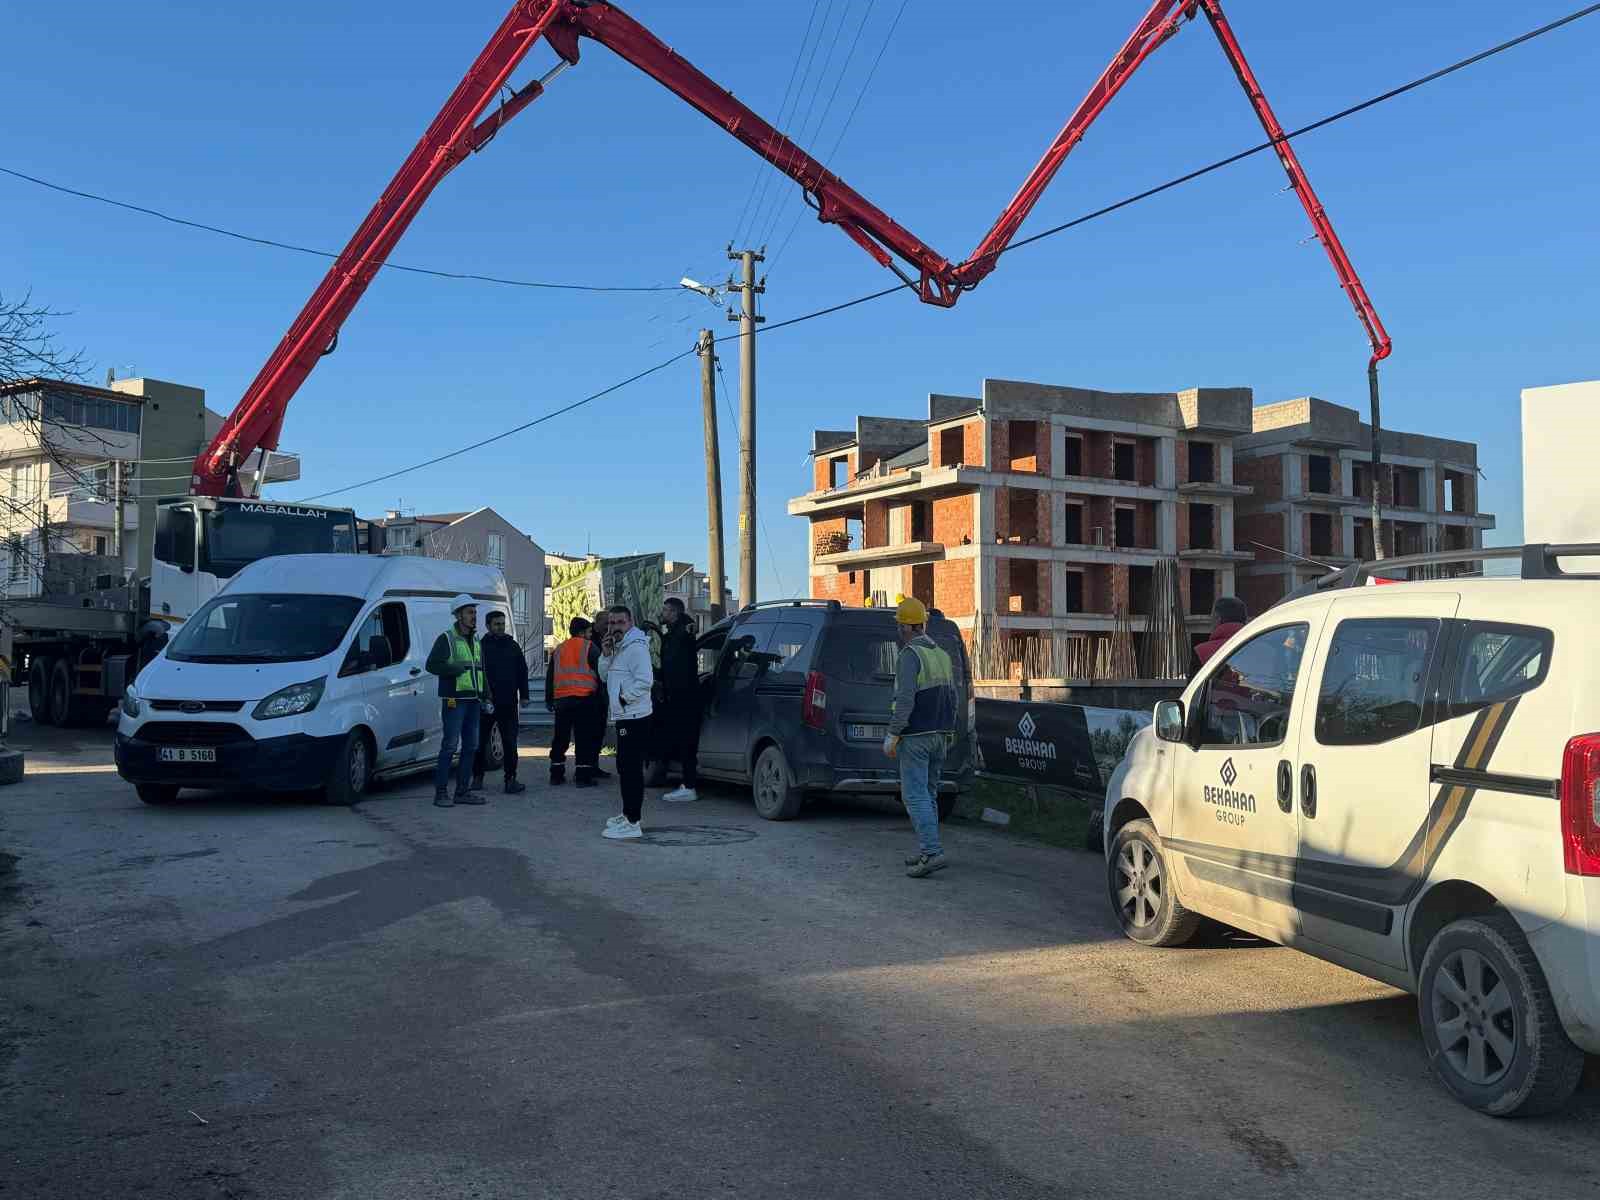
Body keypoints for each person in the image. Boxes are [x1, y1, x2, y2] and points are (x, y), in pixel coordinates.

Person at [883, 597, 958, 878]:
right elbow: (952, 696)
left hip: (916, 736)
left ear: (905, 628)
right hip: (940, 734)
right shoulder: (941, 653)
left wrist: (893, 733)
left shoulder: (909, 656)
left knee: (914, 796)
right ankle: (929, 847)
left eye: (900, 627)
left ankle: (932, 852)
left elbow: (904, 701)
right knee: (927, 794)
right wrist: (949, 731)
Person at [424, 594, 489, 808]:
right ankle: (441, 794)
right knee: (450, 746)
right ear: (459, 615)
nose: (474, 616)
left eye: (475, 612)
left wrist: (485, 694)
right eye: (470, 612)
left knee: (471, 746)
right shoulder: (447, 638)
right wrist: (453, 669)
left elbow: (481, 670)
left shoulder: (476, 639)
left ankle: (462, 792)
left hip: (473, 701)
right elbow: (431, 665)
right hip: (454, 700)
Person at [597, 604, 654, 840]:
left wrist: (623, 698)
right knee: (624, 767)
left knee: (630, 770)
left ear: (630, 623)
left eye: (620, 622)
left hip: (634, 717)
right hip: (625, 716)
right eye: (611, 623)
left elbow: (645, 681)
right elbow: (603, 675)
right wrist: (605, 655)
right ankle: (628, 813)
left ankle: (633, 822)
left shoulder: (636, 648)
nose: (614, 627)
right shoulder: (619, 647)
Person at [649, 596, 701, 803]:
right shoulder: (669, 636)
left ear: (675, 613)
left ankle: (689, 786)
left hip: (685, 698)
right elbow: (668, 669)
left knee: (687, 741)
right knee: (678, 739)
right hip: (674, 697)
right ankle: (685, 783)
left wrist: (690, 626)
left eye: (666, 611)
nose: (663, 614)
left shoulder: (683, 631)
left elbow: (690, 630)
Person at [472, 609, 529, 795]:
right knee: (480, 742)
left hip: (508, 702)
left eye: (503, 624)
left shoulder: (512, 646)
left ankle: (510, 780)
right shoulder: (480, 647)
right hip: (486, 703)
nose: (501, 627)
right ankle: (477, 778)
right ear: (488, 626)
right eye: (497, 624)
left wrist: (525, 695)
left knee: (510, 742)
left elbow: (522, 671)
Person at [545, 616, 603, 787]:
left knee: (560, 738)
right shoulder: (590, 648)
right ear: (582, 632)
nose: (591, 635)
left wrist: (549, 698)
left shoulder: (559, 649)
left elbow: (551, 676)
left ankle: (556, 774)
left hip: (562, 701)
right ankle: (583, 776)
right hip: (585, 700)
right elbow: (601, 673)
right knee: (584, 738)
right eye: (589, 632)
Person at [1192, 596, 1249, 675]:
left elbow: (1194, 686)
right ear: (1245, 619)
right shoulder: (1261, 649)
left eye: (1211, 617)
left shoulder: (1201, 652)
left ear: (1217, 618)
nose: (1210, 622)